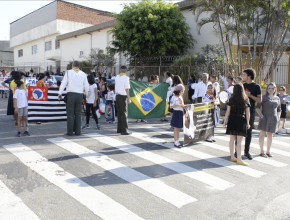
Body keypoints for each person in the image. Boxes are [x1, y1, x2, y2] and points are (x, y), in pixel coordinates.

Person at [58, 61, 89, 136]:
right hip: (79, 95)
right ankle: (78, 132)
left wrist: (60, 93)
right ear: (79, 67)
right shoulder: (83, 74)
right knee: (78, 114)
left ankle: (70, 132)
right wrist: (87, 95)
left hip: (71, 94)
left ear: (72, 66)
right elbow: (86, 86)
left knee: (70, 114)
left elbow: (63, 83)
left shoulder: (68, 72)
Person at [223, 84, 251, 166]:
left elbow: (227, 112)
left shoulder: (231, 99)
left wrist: (224, 122)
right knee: (239, 141)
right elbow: (248, 113)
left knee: (231, 140)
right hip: (240, 120)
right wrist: (248, 123)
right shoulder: (245, 100)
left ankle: (232, 156)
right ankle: (239, 159)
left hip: (232, 120)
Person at [256, 83, 281, 157]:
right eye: (269, 88)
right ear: (267, 89)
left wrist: (278, 117)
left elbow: (279, 109)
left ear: (274, 90)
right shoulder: (263, 97)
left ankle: (268, 151)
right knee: (262, 134)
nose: (271, 90)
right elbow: (257, 108)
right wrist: (262, 116)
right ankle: (261, 151)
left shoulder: (277, 98)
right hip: (265, 117)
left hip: (274, 118)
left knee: (270, 135)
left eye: (272, 88)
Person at [242, 68, 262, 160]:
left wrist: (250, 96)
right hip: (241, 110)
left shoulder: (256, 86)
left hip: (251, 111)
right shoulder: (242, 85)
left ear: (249, 76)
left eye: (244, 75)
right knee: (239, 131)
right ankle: (236, 151)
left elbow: (259, 100)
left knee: (249, 132)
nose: (243, 76)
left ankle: (247, 151)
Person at [115, 66, 131, 135]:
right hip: (123, 96)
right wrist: (129, 98)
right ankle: (124, 130)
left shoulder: (117, 77)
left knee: (119, 113)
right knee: (124, 113)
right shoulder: (126, 78)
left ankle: (119, 129)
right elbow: (126, 88)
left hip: (117, 96)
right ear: (126, 71)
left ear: (120, 70)